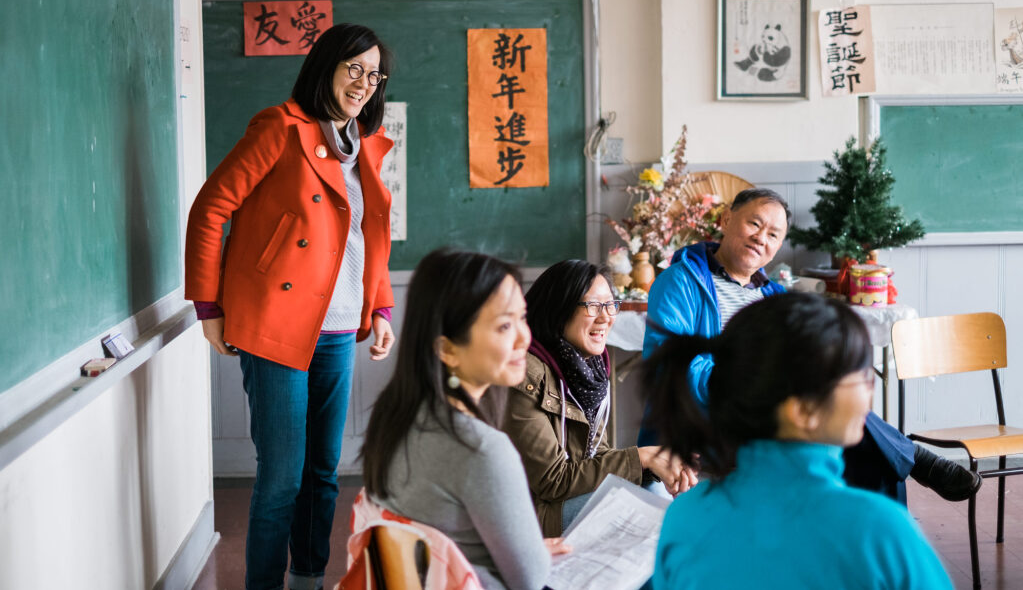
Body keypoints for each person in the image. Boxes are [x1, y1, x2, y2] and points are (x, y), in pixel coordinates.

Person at [184, 23, 397, 590]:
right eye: (354, 68)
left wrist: (379, 308)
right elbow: (210, 210)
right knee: (281, 477)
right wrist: (208, 306)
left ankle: (308, 579)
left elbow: (369, 237)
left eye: (374, 75)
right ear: (325, 65)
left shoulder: (367, 146)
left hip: (338, 329)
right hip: (276, 326)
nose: (364, 84)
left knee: (324, 473)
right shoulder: (280, 128)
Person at [640, 188, 982, 504]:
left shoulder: (773, 296)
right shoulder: (679, 282)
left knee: (867, 450)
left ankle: (870, 546)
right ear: (727, 220)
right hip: (706, 418)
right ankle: (914, 458)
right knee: (863, 444)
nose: (761, 238)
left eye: (773, 235)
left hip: (774, 415)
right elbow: (672, 365)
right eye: (754, 224)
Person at [645, 292, 953, 589]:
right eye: (862, 377)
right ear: (804, 411)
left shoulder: (684, 519)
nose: (869, 390)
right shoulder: (880, 531)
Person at [361, 249, 569, 590]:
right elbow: (531, 581)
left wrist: (531, 551)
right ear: (447, 349)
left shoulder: (396, 414)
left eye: (522, 318)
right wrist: (534, 557)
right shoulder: (480, 449)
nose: (524, 338)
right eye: (504, 325)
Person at [502, 259, 696, 537]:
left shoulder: (588, 368)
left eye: (610, 305)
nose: (606, 318)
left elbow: (595, 455)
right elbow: (552, 481)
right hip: (535, 514)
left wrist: (655, 464)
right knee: (654, 521)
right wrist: (641, 457)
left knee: (659, 494)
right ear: (559, 310)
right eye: (593, 306)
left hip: (564, 499)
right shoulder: (526, 374)